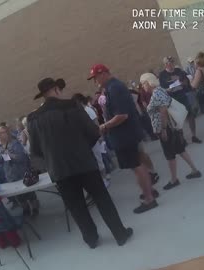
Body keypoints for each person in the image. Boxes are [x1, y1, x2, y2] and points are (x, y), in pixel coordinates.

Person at [27, 77, 132, 248]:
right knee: (102, 199)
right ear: (56, 90)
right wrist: (83, 149)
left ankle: (91, 239)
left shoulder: (33, 119)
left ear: (43, 95)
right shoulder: (72, 105)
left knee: (76, 207)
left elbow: (36, 151)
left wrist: (50, 164)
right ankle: (120, 234)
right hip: (84, 163)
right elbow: (92, 132)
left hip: (59, 170)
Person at [88, 65, 159, 213]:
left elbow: (122, 115)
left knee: (136, 166)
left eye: (96, 77)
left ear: (104, 74)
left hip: (125, 135)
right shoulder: (111, 88)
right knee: (138, 163)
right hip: (126, 134)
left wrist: (104, 126)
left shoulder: (115, 88)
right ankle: (150, 191)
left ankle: (149, 199)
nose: (95, 81)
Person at [141, 73, 202, 190]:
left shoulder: (156, 93)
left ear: (148, 82)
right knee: (180, 149)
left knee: (169, 154)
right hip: (171, 126)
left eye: (143, 83)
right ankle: (194, 170)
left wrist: (163, 129)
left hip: (166, 128)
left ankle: (174, 179)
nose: (142, 87)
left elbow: (163, 111)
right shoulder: (160, 90)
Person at [0, 126, 40, 216]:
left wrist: (10, 155)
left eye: (2, 133)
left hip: (21, 172)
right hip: (10, 175)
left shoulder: (15, 143)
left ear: (7, 133)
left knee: (29, 193)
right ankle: (25, 208)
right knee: (19, 196)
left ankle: (35, 208)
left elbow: (22, 158)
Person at [159, 56, 202, 144]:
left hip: (183, 96)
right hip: (173, 100)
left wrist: (184, 83)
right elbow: (162, 89)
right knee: (178, 120)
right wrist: (168, 90)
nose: (170, 64)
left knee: (190, 116)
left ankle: (194, 136)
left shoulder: (179, 71)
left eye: (171, 62)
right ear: (165, 65)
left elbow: (187, 80)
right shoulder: (162, 75)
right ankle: (182, 139)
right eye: (168, 63)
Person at [72, 93, 111, 187]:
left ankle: (104, 178)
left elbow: (96, 123)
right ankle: (102, 178)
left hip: (95, 138)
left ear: (80, 101)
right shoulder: (80, 112)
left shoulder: (88, 110)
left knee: (99, 159)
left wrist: (100, 136)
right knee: (95, 160)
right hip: (88, 140)